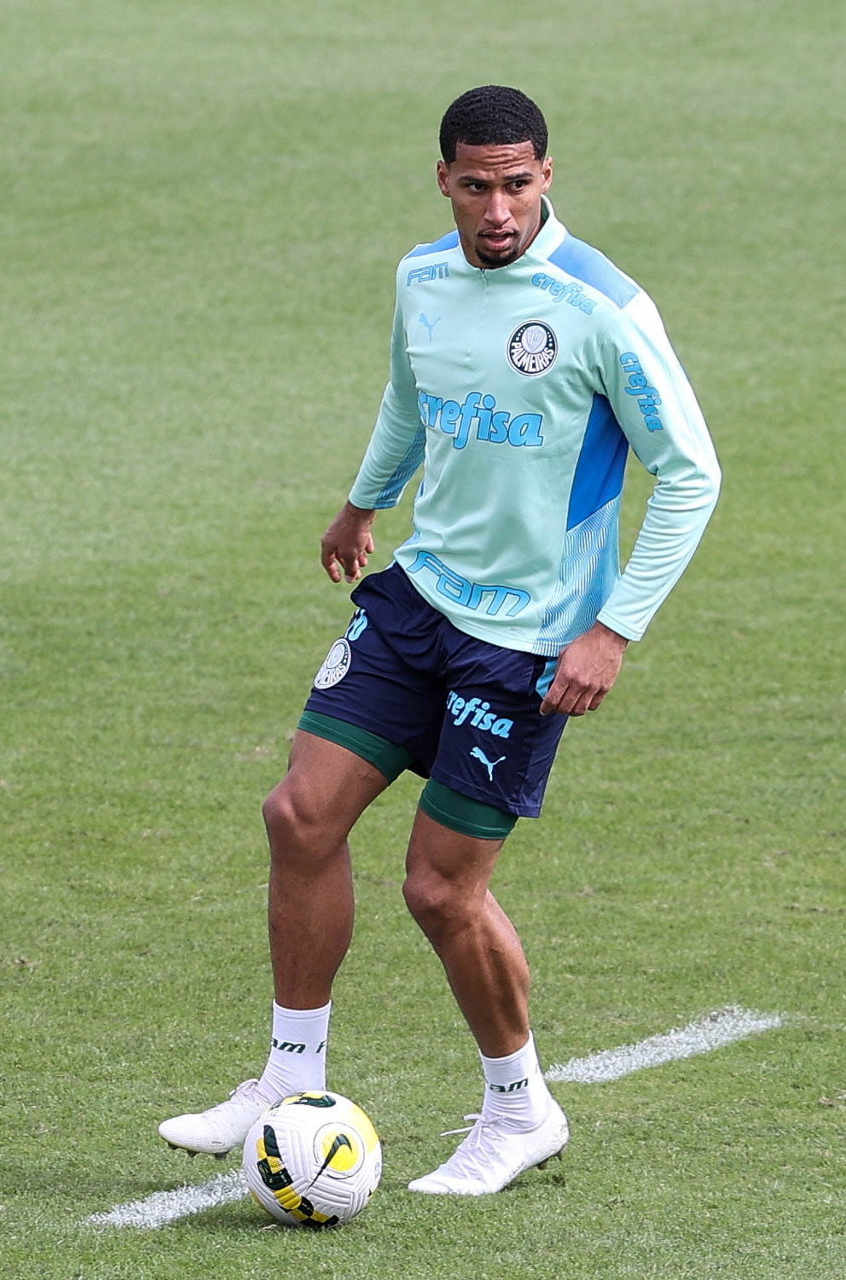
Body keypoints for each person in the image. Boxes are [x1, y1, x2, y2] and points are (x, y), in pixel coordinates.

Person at [159, 85, 721, 1196]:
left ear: (547, 176)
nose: (497, 209)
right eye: (476, 185)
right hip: (420, 599)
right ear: (444, 181)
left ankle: (520, 1109)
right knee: (298, 815)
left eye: (516, 184)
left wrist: (613, 629)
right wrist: (361, 503)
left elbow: (692, 473)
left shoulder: (602, 306)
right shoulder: (422, 277)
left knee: (439, 889)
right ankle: (287, 1076)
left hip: (528, 640)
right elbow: (411, 401)